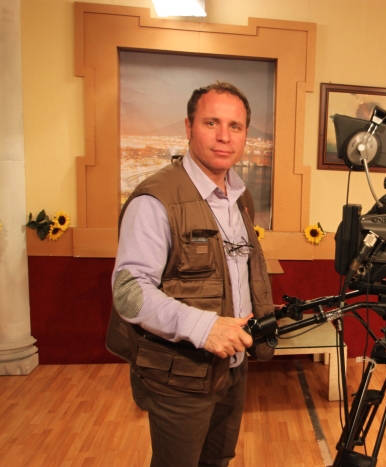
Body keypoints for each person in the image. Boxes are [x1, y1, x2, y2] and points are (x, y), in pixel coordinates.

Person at [105, 81, 275, 467]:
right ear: (188, 127)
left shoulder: (240, 198)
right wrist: (204, 327)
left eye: (235, 126)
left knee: (218, 460)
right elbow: (129, 291)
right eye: (211, 122)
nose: (224, 136)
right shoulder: (155, 199)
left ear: (245, 134)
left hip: (233, 366)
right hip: (179, 375)